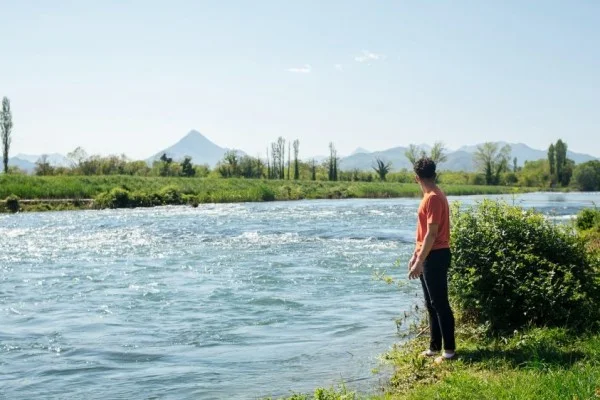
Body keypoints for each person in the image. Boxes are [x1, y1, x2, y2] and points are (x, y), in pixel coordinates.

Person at [407, 157, 456, 363]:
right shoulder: (430, 195)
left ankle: (450, 352)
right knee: (431, 304)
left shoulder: (433, 198)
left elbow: (432, 234)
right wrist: (415, 255)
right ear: (434, 174)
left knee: (440, 304)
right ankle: (434, 348)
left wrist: (420, 261)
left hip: (435, 255)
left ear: (416, 177)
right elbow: (423, 232)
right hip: (428, 254)